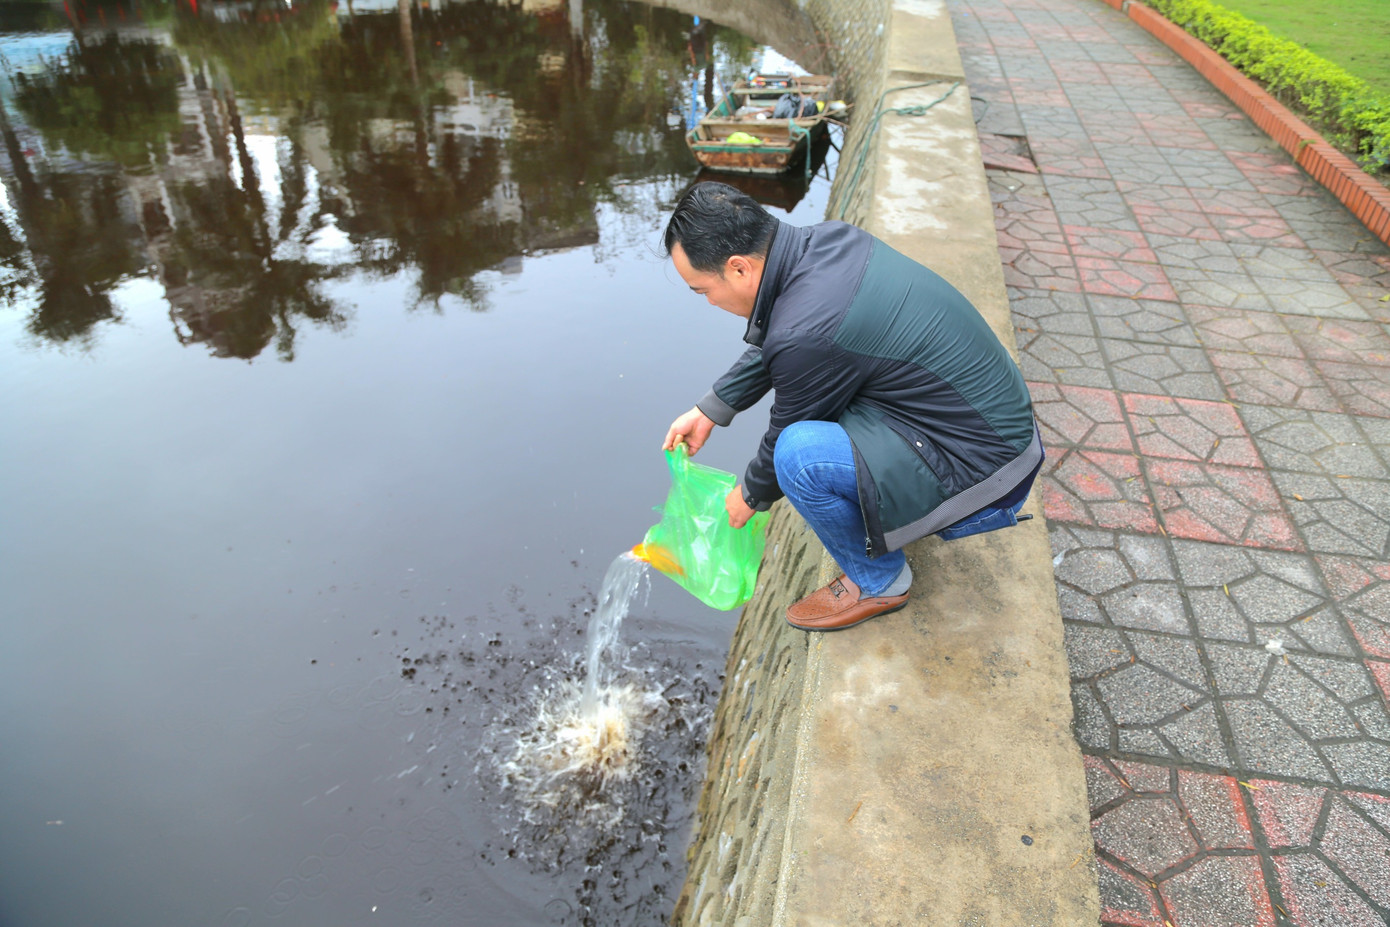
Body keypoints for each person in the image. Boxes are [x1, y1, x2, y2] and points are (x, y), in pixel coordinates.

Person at [661, 181, 1042, 632]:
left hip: (985, 466)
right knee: (818, 416)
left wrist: (750, 495)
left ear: (739, 269)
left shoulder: (806, 330)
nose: (708, 302)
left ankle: (880, 582)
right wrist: (712, 408)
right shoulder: (829, 241)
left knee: (798, 458)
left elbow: (788, 415)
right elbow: (782, 335)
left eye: (703, 290)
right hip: (996, 427)